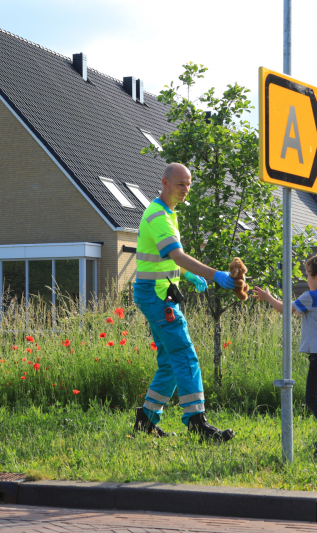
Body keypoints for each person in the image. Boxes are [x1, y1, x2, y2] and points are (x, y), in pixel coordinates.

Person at [132, 162, 237, 442]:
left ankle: (146, 419)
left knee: (168, 361)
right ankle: (196, 421)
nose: (186, 189)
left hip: (157, 291)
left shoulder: (168, 213)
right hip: (156, 295)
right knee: (185, 353)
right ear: (164, 183)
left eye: (189, 184)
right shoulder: (158, 215)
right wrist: (215, 275)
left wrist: (189, 274)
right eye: (180, 184)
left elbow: (166, 257)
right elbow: (176, 255)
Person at [252, 253, 317, 457]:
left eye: (307, 274)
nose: (306, 278)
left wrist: (268, 297)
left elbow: (286, 309)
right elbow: (300, 311)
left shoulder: (311, 296)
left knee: (313, 399)